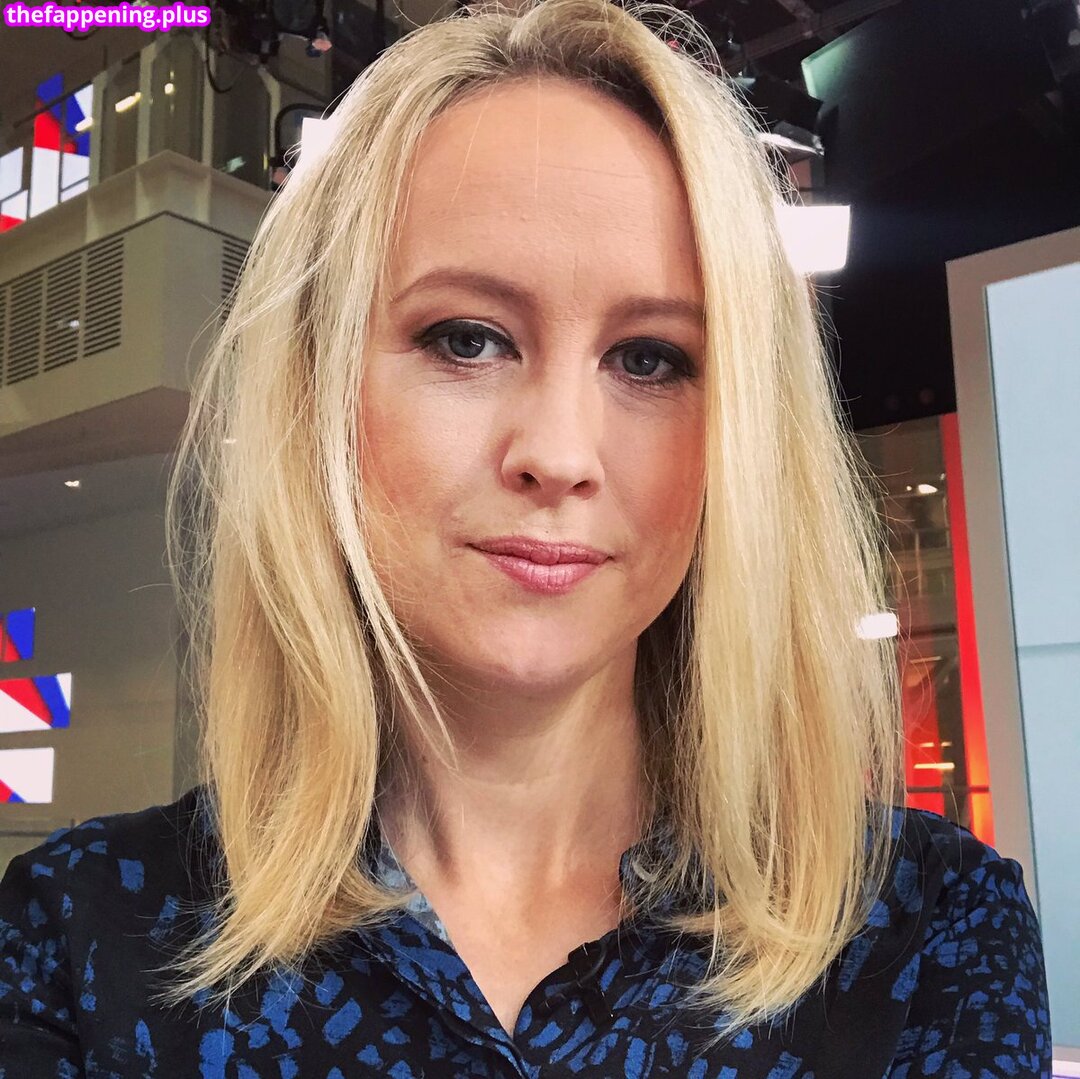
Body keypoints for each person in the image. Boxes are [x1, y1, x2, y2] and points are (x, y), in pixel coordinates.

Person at [0, 0, 1052, 1074]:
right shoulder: (75, 938)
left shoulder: (930, 934)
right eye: (468, 339)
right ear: (316, 391)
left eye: (650, 358)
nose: (558, 452)